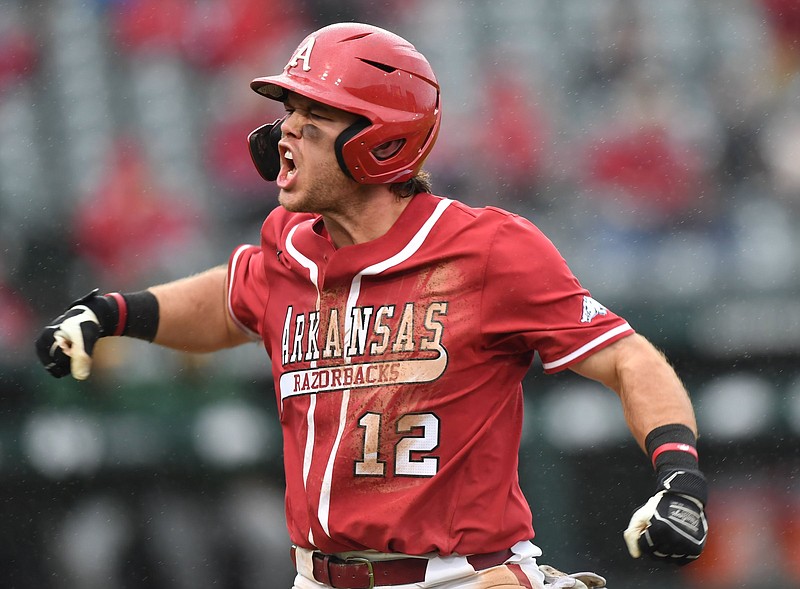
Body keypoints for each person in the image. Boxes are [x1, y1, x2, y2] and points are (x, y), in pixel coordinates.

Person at [35, 22, 708, 589]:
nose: (284, 133)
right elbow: (228, 299)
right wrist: (112, 312)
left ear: (380, 140)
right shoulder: (288, 246)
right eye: (287, 114)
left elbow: (625, 356)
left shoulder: (487, 250)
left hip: (459, 575)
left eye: (312, 116)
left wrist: (680, 476)